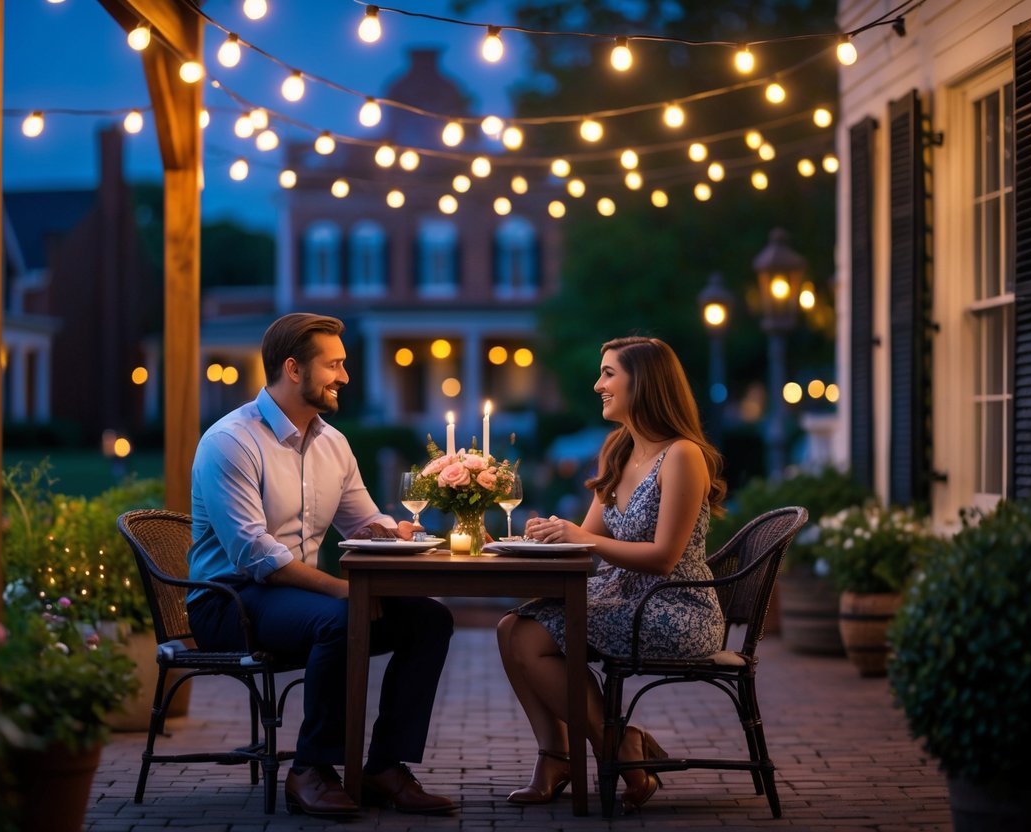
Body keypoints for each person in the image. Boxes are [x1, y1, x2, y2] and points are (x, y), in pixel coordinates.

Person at [186, 313, 456, 817]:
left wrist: (394, 533)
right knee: (341, 620)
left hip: (296, 601)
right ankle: (312, 769)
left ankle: (383, 767)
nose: (345, 377)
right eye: (333, 365)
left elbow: (363, 522)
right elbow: (254, 556)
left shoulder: (333, 443)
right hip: (228, 601)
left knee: (429, 618)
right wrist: (342, 591)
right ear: (293, 369)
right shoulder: (231, 441)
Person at [497, 336, 726, 813]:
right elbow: (587, 538)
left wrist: (579, 538)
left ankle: (616, 749)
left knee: (527, 637)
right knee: (510, 629)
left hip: (674, 606)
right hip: (622, 595)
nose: (597, 384)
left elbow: (664, 557)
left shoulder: (683, 455)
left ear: (641, 383)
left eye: (608, 374)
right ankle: (566, 755)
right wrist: (548, 532)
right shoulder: (618, 449)